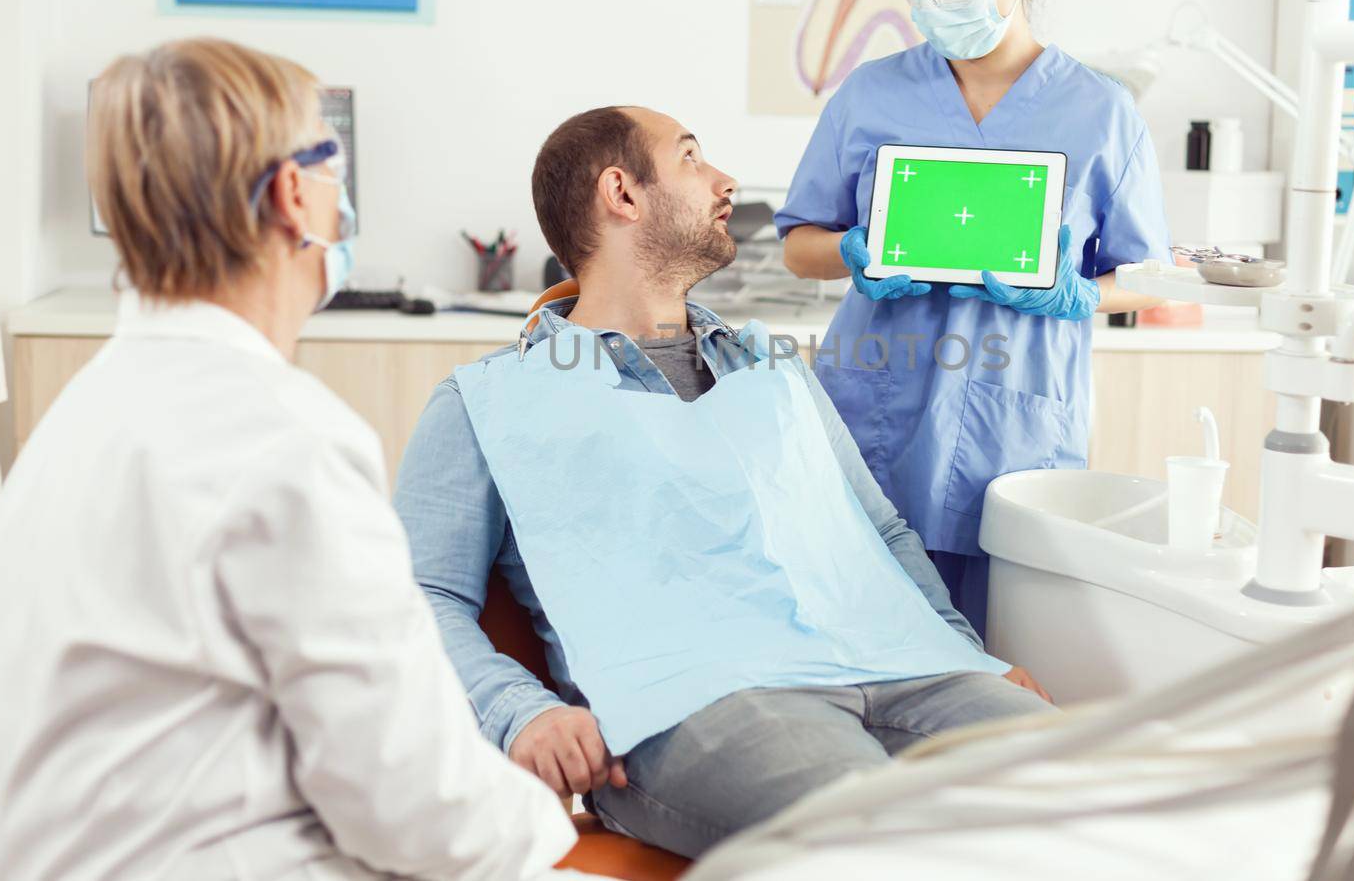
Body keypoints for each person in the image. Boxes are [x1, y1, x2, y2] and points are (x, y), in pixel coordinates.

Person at [0, 38, 575, 881]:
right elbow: (414, 800)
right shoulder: (283, 439)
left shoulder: (78, 418)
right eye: (331, 163)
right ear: (295, 194)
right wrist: (552, 837)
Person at [394, 105, 1053, 860]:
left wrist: (968, 653)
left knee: (1111, 795)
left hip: (901, 665)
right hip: (695, 701)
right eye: (691, 157)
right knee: (876, 841)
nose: (724, 181)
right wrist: (520, 712)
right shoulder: (487, 399)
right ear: (623, 193)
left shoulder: (775, 368)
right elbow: (418, 596)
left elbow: (884, 532)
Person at [778, 0, 1171, 633]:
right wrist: (852, 253)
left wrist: (1075, 294)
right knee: (864, 647)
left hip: (1015, 420)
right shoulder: (872, 95)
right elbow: (799, 243)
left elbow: (1151, 275)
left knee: (1003, 659)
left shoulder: (1100, 113)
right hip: (876, 404)